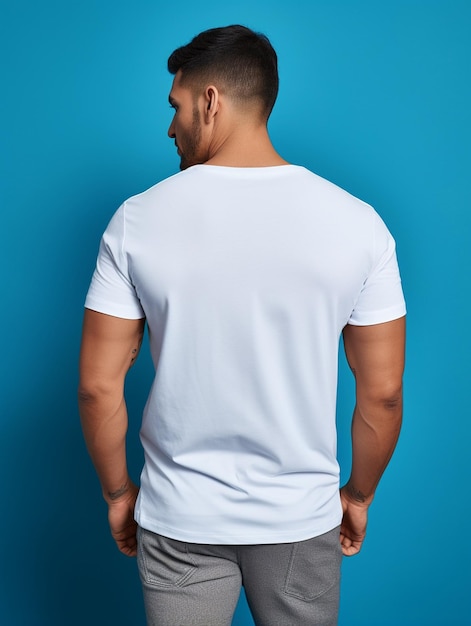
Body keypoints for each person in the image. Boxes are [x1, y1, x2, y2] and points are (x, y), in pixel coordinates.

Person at [78, 25, 406, 626]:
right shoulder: (359, 225)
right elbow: (381, 394)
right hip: (300, 519)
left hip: (179, 516)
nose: (169, 127)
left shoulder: (137, 221)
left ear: (210, 101)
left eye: (175, 107)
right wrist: (356, 496)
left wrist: (120, 494)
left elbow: (99, 385)